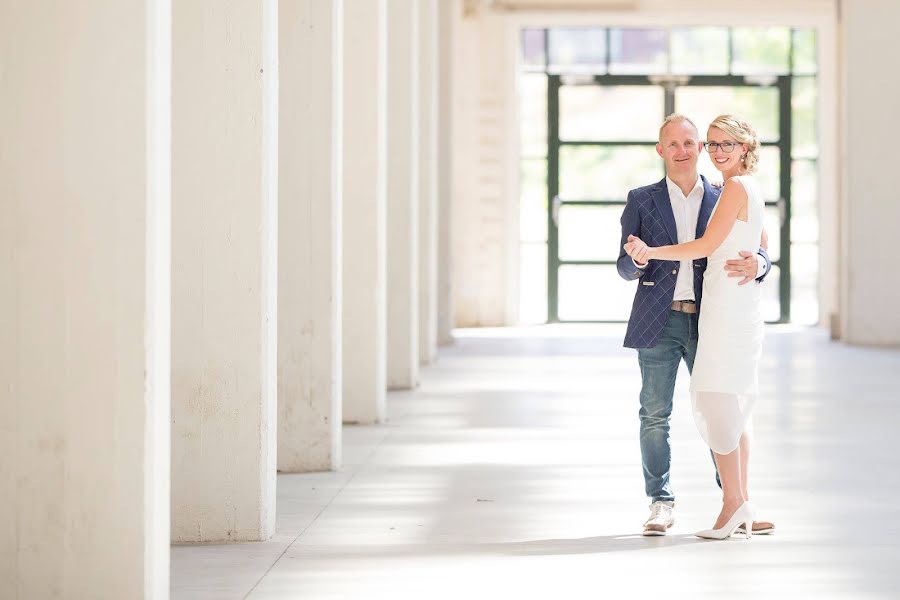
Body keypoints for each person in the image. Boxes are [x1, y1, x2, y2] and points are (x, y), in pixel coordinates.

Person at [616, 113, 775, 537]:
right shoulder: (641, 199)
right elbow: (624, 264)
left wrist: (758, 263)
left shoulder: (722, 192)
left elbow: (758, 245)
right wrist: (637, 257)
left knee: (724, 406)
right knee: (654, 414)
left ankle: (737, 500)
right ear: (661, 150)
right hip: (659, 320)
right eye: (674, 144)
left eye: (692, 143)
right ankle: (661, 505)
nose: (683, 151)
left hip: (710, 317)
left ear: (699, 148)